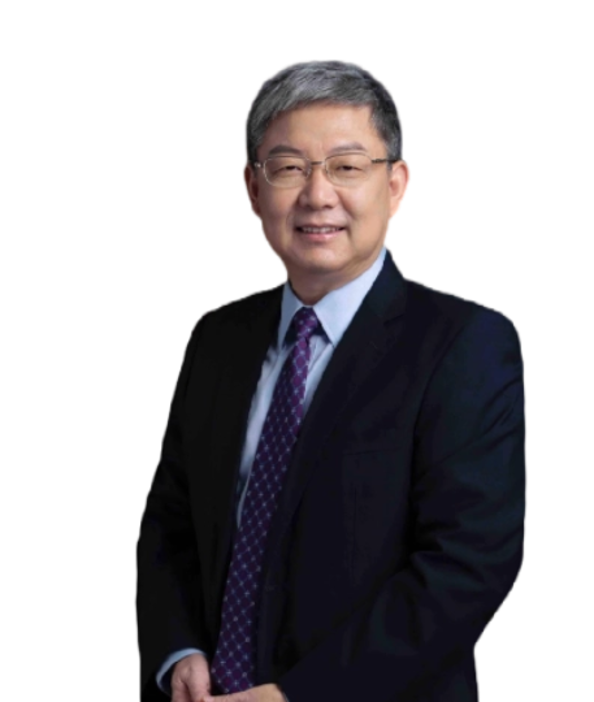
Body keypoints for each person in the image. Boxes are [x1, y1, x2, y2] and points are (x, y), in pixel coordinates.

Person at [138, 58, 526, 702]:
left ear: (397, 185)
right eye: (289, 167)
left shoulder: (464, 344)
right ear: (251, 188)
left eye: (347, 167)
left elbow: (466, 565)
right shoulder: (218, 338)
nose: (318, 196)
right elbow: (172, 519)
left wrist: (297, 695)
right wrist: (178, 649)